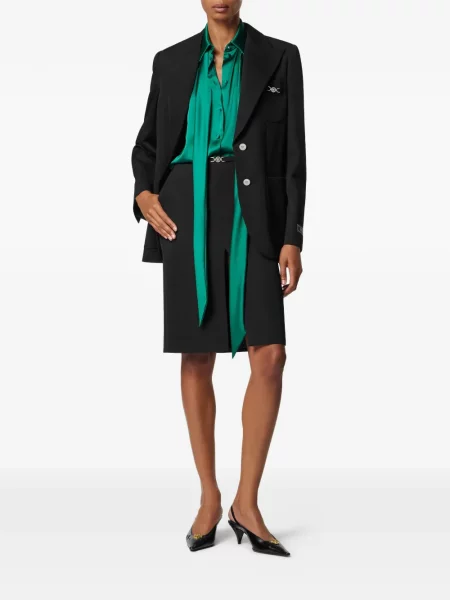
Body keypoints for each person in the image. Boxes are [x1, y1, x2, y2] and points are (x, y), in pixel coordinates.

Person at [131, 0, 306, 557]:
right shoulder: (170, 61)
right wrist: (144, 194)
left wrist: (293, 235)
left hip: (255, 215)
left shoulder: (280, 57)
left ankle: (246, 502)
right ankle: (209, 497)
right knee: (196, 354)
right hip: (187, 214)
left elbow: (295, 153)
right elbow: (147, 146)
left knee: (270, 354)